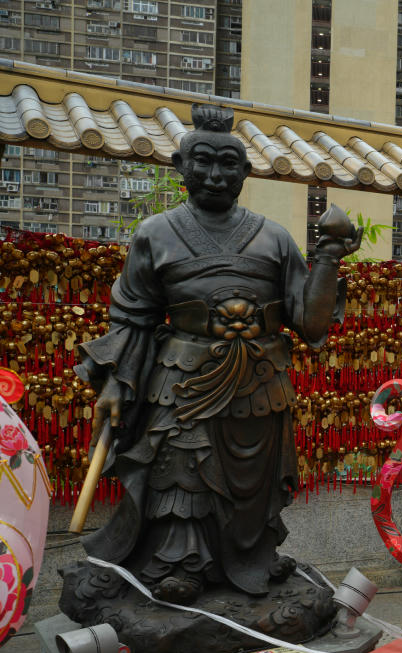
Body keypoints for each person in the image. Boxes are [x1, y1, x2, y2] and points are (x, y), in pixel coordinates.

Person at [75, 104, 359, 604]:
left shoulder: (273, 237)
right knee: (183, 472)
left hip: (260, 380)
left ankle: (252, 557)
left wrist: (330, 257)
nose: (214, 174)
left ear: (246, 173)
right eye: (201, 161)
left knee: (254, 483)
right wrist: (118, 382)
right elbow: (132, 315)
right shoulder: (155, 233)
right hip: (182, 377)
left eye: (228, 164)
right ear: (180, 168)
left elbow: (310, 322)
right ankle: (179, 564)